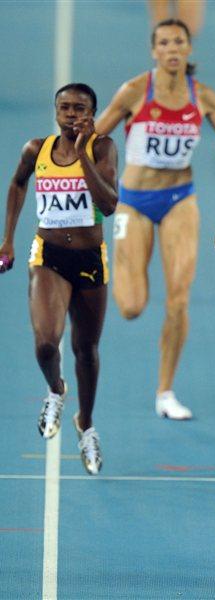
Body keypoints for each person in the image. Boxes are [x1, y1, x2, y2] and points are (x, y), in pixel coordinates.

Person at [95, 18, 215, 419]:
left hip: (180, 198)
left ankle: (165, 392)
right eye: (164, 42)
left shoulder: (204, 97)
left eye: (178, 41)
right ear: (154, 50)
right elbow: (96, 137)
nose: (172, 48)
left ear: (188, 49)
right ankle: (121, 263)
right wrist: (97, 178)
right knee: (131, 306)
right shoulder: (134, 91)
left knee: (179, 298)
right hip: (134, 201)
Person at [0, 83, 118, 475]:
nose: (70, 114)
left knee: (87, 350)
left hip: (89, 258)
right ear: (55, 112)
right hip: (47, 256)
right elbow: (18, 183)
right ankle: (55, 390)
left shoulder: (102, 148)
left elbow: (109, 204)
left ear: (92, 113)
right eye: (64, 108)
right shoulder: (37, 150)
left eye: (78, 108)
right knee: (46, 343)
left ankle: (85, 422)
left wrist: (84, 152)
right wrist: (8, 240)